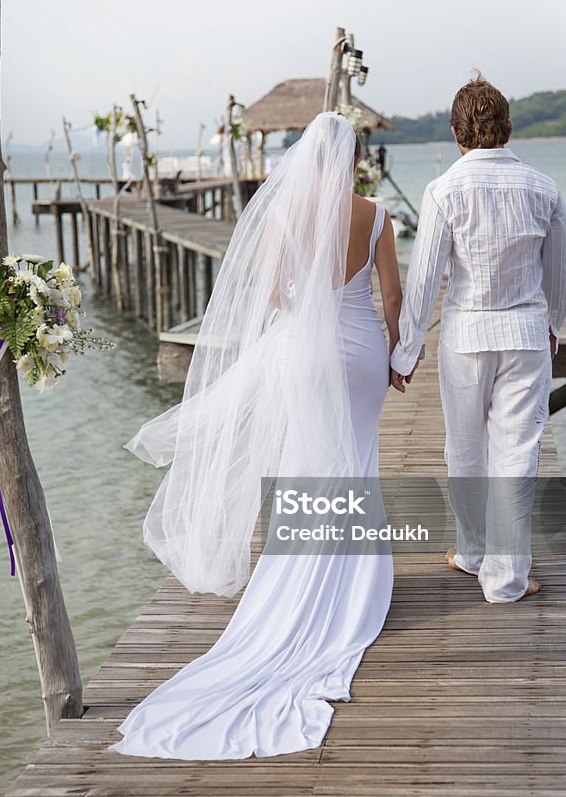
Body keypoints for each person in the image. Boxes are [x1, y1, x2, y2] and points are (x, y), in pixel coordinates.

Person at [109, 112, 403, 760]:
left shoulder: (280, 214)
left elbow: (270, 291)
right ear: (353, 158)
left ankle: (299, 578)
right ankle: (353, 580)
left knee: (306, 464)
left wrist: (303, 314)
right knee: (353, 461)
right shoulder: (374, 213)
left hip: (303, 352)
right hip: (359, 355)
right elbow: (392, 294)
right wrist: (396, 355)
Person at [390, 74, 566, 603]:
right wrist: (553, 325)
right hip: (525, 336)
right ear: (509, 129)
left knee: (464, 452)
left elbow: (423, 280)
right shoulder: (545, 188)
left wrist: (405, 349)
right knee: (517, 454)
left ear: (455, 132)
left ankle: (471, 553)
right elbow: (558, 277)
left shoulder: (443, 190)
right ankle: (506, 579)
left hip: (465, 336)